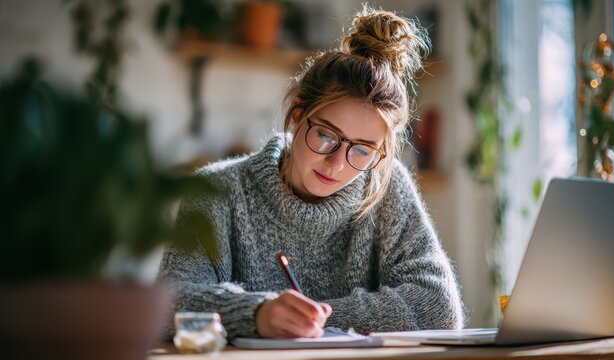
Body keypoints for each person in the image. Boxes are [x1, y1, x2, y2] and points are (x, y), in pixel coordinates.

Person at [158, 6, 465, 340]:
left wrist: (315, 316)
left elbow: (438, 307)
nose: (336, 164)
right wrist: (256, 313)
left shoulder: (387, 186)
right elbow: (167, 304)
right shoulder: (216, 190)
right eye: (326, 136)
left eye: (362, 149)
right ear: (296, 115)